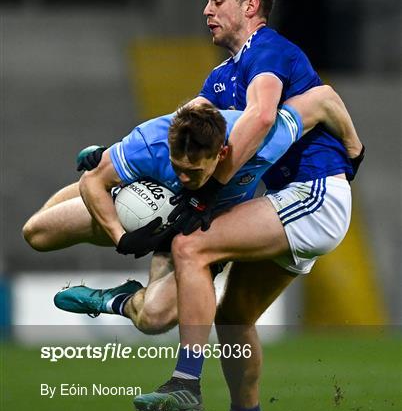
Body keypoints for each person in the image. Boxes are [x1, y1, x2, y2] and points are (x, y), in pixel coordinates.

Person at [124, 0, 364, 411]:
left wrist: (207, 196)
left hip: (312, 193)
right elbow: (182, 127)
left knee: (191, 245)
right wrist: (110, 158)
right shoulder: (224, 74)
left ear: (250, 7)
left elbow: (260, 116)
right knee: (234, 316)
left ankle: (186, 382)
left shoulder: (267, 48)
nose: (206, 9)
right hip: (290, 198)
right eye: (207, 0)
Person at [23, 85, 354, 332]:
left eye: (193, 172)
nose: (184, 177)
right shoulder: (152, 141)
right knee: (36, 234)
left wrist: (353, 150)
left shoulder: (259, 140)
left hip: (200, 230)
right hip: (146, 208)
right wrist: (121, 235)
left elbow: (321, 99)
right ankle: (110, 165)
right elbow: (91, 185)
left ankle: (116, 300)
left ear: (222, 155)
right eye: (176, 166)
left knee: (153, 320)